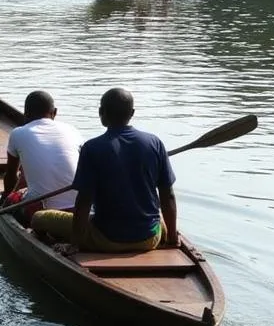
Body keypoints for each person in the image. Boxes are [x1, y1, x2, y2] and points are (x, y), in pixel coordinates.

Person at [30, 87, 178, 253]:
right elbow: (168, 195)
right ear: (132, 113)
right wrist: (173, 239)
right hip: (150, 239)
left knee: (39, 218)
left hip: (107, 239)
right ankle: (165, 233)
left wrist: (75, 244)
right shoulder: (155, 143)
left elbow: (84, 201)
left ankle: (50, 243)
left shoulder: (92, 148)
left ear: (101, 112)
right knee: (157, 219)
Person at [1, 90, 81, 224]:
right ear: (54, 112)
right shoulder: (72, 130)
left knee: (12, 199)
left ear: (25, 114)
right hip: (81, 208)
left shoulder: (17, 133)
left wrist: (5, 200)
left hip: (43, 213)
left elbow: (10, 175)